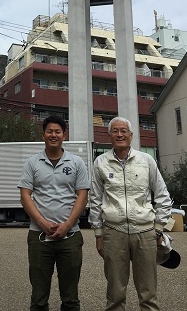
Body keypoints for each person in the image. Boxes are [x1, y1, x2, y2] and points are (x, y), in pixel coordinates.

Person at [89, 116, 172, 311]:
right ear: (109, 135)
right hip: (113, 232)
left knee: (148, 293)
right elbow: (95, 199)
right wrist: (98, 234)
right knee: (115, 294)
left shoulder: (146, 160)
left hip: (145, 232)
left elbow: (162, 195)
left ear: (131, 135)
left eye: (123, 130)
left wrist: (158, 229)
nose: (119, 134)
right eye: (115, 131)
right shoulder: (101, 162)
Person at [18, 115, 89, 311]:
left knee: (71, 298)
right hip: (39, 236)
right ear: (43, 135)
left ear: (64, 135)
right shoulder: (32, 163)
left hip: (71, 236)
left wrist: (67, 225)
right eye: (49, 131)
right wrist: (42, 223)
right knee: (39, 297)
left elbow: (82, 196)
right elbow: (25, 196)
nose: (53, 135)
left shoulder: (76, 162)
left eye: (58, 131)